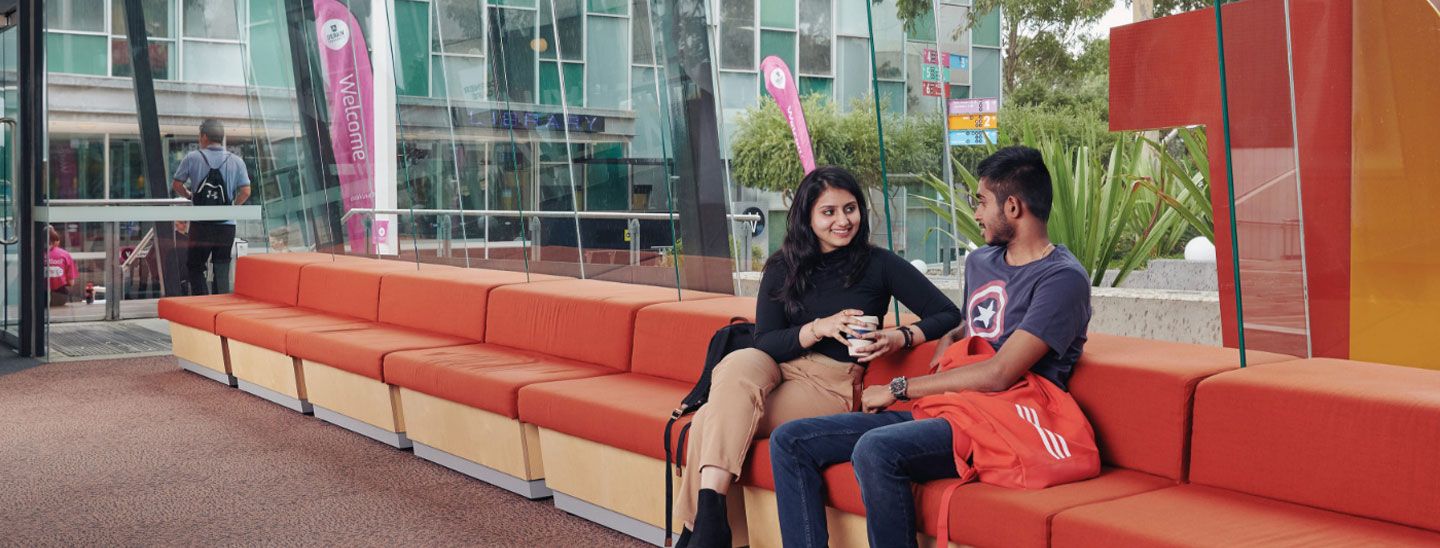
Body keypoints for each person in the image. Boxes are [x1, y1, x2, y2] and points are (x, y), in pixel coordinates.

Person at [768, 146, 1093, 548]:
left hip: (1009, 417)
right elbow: (967, 324)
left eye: (981, 201)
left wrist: (899, 388)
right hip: (954, 407)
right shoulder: (982, 263)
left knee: (876, 449)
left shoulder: (1062, 279)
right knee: (790, 441)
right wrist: (946, 341)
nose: (975, 213)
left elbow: (1000, 373)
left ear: (1012, 207)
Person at [673, 166, 962, 548]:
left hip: (830, 383)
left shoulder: (879, 264)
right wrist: (819, 328)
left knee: (711, 417)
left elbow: (947, 313)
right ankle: (710, 527)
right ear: (807, 217)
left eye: (850, 209)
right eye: (829, 212)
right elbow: (766, 343)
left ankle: (704, 528)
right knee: (738, 363)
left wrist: (900, 336)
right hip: (773, 367)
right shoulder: (782, 265)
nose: (843, 221)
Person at [171, 119, 251, 295]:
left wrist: (190, 195)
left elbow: (177, 184)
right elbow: (245, 191)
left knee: (195, 266)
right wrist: (233, 206)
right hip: (226, 225)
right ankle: (220, 308)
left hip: (201, 224)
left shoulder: (193, 158)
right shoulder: (236, 161)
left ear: (204, 136)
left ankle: (203, 303)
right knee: (221, 268)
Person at [46, 226, 78, 307]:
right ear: (55, 240)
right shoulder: (64, 255)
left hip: (38, 297)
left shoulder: (34, 254)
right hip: (60, 297)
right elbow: (71, 282)